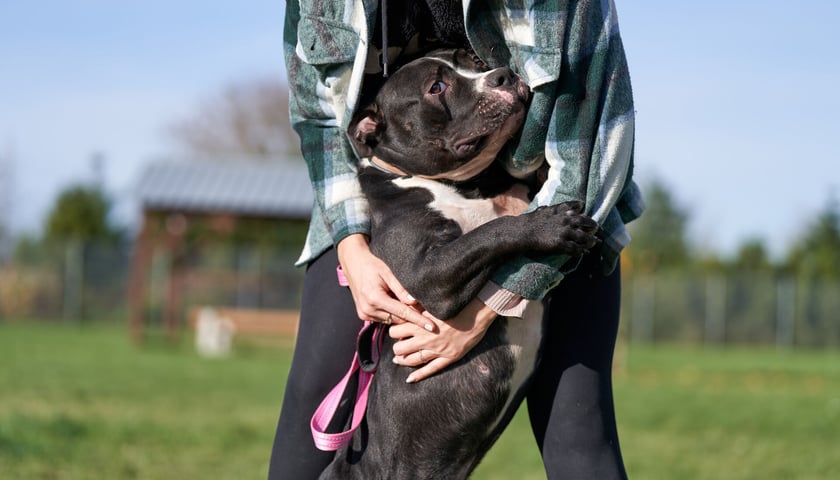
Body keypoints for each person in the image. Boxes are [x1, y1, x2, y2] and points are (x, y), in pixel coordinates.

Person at [268, 1, 644, 479]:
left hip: (559, 198)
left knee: (580, 435)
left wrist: (487, 308)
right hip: (372, 206)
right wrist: (350, 246)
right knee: (304, 432)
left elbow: (593, 144)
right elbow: (319, 117)